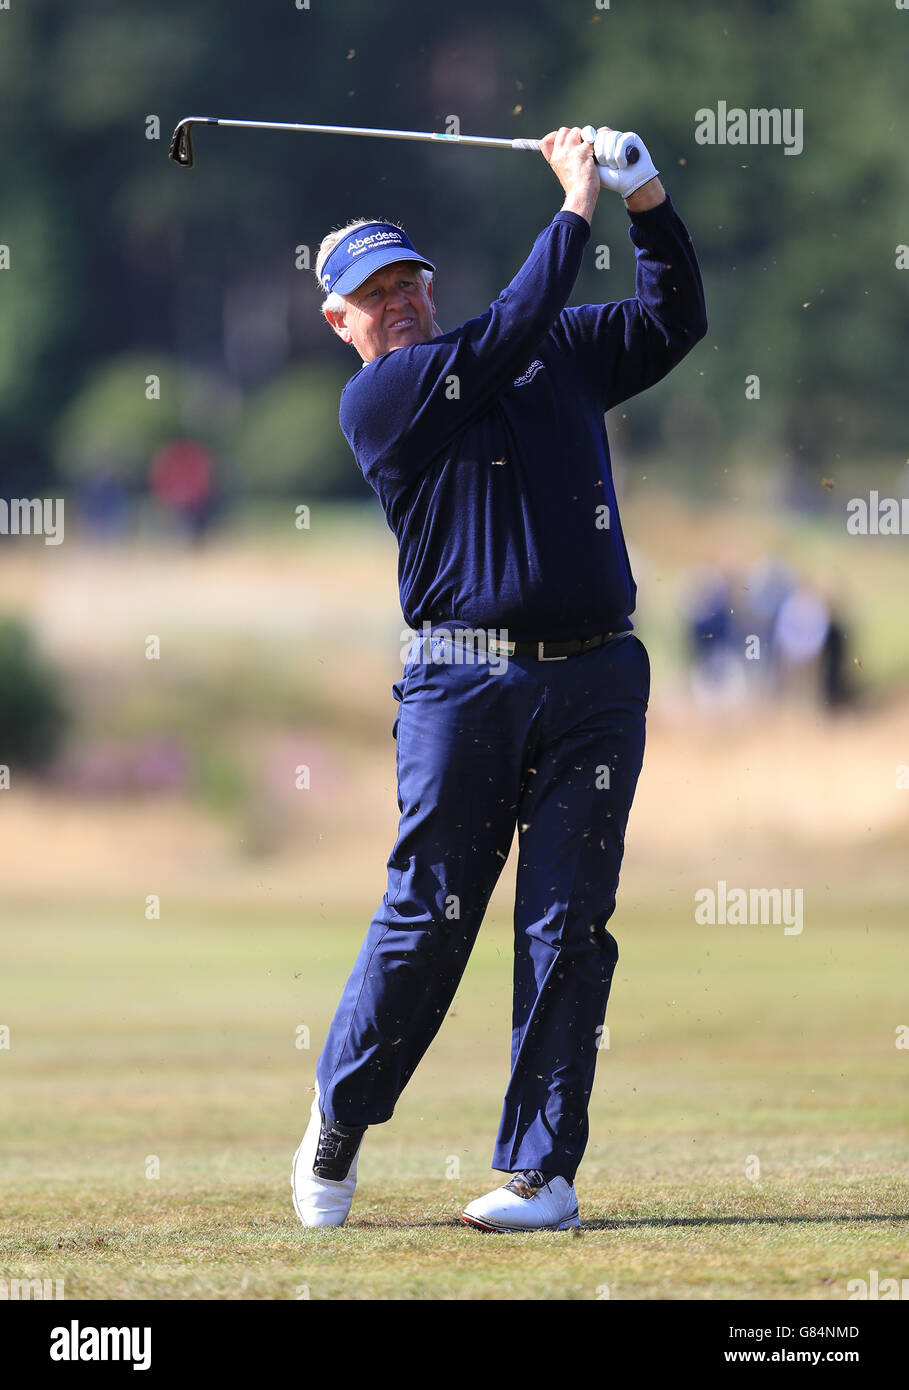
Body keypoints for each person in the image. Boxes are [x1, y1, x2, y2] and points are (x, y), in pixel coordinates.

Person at [292, 125, 707, 1231]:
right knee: (431, 916)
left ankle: (541, 1174)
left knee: (570, 923)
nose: (400, 303)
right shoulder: (381, 403)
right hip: (461, 684)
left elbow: (675, 321)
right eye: (373, 296)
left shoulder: (553, 345)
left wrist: (646, 199)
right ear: (341, 323)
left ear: (432, 283)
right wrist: (573, 205)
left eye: (409, 282)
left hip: (597, 677)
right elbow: (508, 329)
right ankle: (339, 1121)